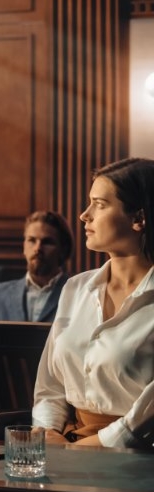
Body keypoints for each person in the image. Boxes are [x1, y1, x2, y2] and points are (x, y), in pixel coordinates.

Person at [32, 157, 154, 449]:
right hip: (66, 445)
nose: (84, 215)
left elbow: (144, 418)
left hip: (138, 456)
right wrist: (48, 431)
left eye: (99, 204)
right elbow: (50, 387)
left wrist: (95, 445)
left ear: (139, 218)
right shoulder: (76, 288)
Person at [0, 211, 74, 321]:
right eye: (31, 240)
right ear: (24, 247)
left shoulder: (78, 294)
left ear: (63, 250)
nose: (37, 248)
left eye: (47, 242)